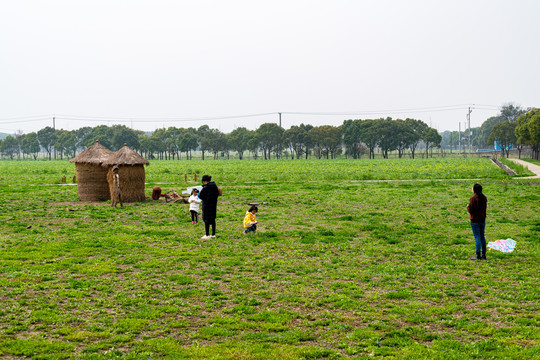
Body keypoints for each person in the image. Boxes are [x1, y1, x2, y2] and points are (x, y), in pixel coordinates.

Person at [467, 183, 488, 260]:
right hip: (482, 219)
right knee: (482, 236)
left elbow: (471, 210)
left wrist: (468, 207)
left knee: (477, 237)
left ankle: (478, 254)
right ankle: (484, 254)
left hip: (475, 220)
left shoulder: (473, 199)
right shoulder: (484, 198)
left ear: (474, 190)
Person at [197, 175, 220, 239]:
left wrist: (198, 194)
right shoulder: (214, 186)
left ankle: (207, 235)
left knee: (206, 220)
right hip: (213, 205)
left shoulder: (206, 187)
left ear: (204, 181)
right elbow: (217, 193)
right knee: (212, 220)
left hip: (206, 205)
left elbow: (201, 196)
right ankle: (213, 234)